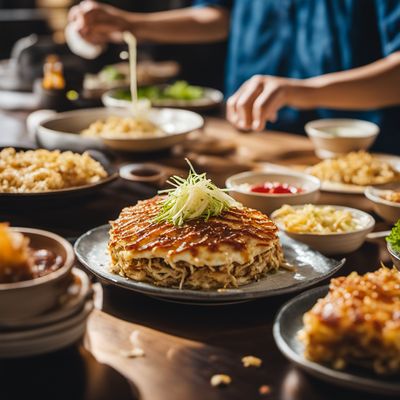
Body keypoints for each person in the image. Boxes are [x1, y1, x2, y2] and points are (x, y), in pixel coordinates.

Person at [69, 0, 400, 152]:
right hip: (252, 140)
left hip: (360, 151)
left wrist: (305, 90)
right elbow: (217, 13)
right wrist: (131, 24)